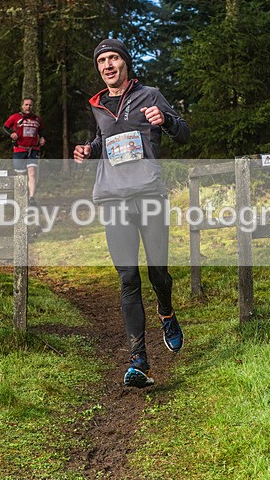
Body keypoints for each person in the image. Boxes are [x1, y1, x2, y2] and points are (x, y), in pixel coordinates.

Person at [73, 39, 189, 388]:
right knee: (127, 278)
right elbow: (104, 139)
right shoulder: (97, 105)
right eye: (102, 61)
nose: (108, 65)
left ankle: (166, 311)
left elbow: (183, 133)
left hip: (149, 194)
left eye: (113, 58)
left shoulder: (150, 95)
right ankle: (139, 360)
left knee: (158, 273)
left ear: (126, 63)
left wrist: (166, 120)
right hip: (113, 198)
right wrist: (88, 150)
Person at [3, 97, 45, 204]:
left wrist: (42, 138)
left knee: (32, 173)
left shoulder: (37, 119)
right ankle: (21, 197)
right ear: (22, 106)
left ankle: (32, 198)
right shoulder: (15, 117)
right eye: (26, 105)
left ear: (33, 106)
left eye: (30, 105)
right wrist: (11, 134)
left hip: (33, 149)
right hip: (19, 149)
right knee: (20, 175)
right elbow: (4, 128)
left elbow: (41, 131)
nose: (28, 107)